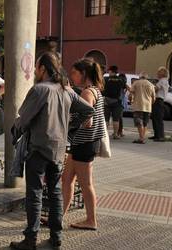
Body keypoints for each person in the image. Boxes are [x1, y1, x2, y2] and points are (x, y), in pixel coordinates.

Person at [10, 53, 94, 250]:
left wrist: (15, 132)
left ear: (43, 69)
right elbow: (88, 110)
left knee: (35, 193)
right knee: (56, 193)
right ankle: (56, 239)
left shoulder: (39, 89)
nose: (35, 71)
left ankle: (30, 239)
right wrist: (68, 129)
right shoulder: (67, 90)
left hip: (38, 148)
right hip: (58, 149)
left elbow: (23, 120)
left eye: (37, 67)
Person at [62, 58, 106, 232]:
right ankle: (59, 215)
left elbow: (87, 121)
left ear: (84, 73)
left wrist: (69, 120)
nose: (72, 76)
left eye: (74, 72)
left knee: (86, 183)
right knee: (66, 179)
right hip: (82, 144)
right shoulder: (93, 90)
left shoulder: (88, 93)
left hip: (84, 143)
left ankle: (91, 220)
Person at [129, 73, 155, 144]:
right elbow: (153, 98)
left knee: (139, 122)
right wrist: (151, 104)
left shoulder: (136, 83)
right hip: (147, 106)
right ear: (146, 77)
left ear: (140, 77)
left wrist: (130, 100)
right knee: (145, 123)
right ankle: (142, 138)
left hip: (138, 105)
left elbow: (130, 94)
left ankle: (141, 138)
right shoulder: (151, 84)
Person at [103, 65, 128, 139]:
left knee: (106, 119)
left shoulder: (106, 79)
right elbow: (124, 88)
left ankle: (104, 134)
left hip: (106, 101)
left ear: (111, 71)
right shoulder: (121, 80)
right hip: (117, 102)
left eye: (109, 71)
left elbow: (101, 88)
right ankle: (115, 134)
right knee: (116, 119)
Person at [150, 67, 170, 142]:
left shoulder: (162, 80)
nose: (157, 73)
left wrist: (151, 87)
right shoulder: (163, 81)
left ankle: (160, 136)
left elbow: (156, 89)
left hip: (158, 101)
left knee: (158, 118)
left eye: (159, 72)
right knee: (155, 118)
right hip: (159, 101)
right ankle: (157, 135)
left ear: (163, 73)